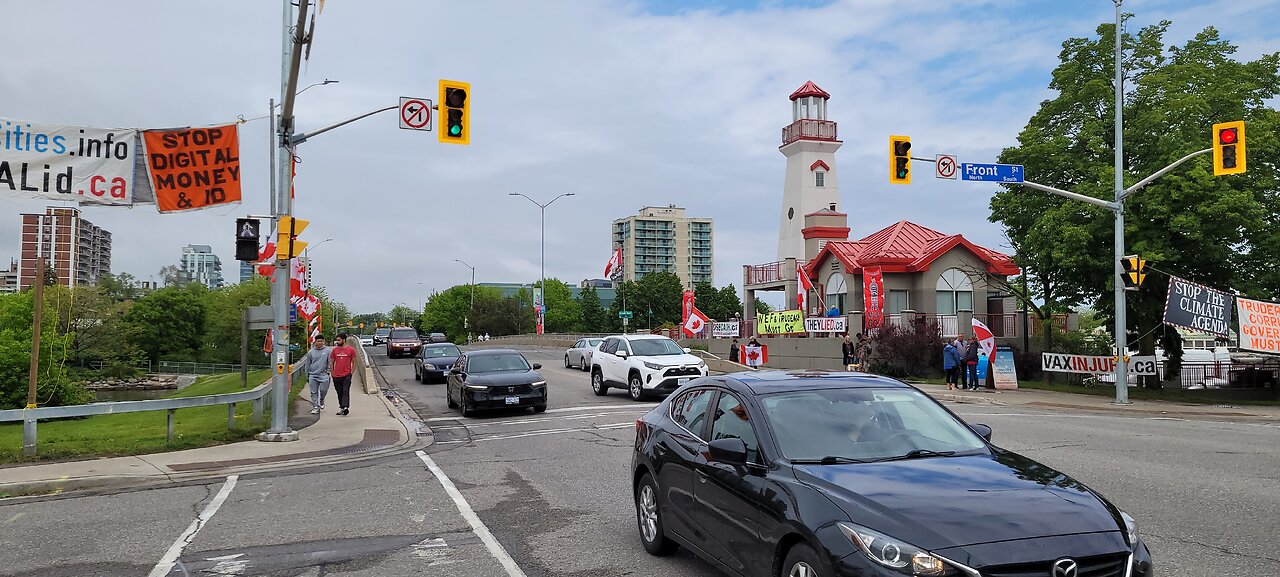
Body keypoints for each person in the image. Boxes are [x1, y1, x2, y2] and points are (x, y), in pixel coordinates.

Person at [329, 333, 358, 416]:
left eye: (339, 340)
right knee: (339, 392)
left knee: (345, 390)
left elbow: (354, 362)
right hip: (336, 375)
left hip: (346, 374)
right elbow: (331, 362)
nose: (337, 342)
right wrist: (332, 373)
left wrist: (351, 373)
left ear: (344, 340)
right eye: (337, 340)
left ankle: (345, 407)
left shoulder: (351, 350)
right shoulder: (335, 350)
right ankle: (342, 407)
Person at [301, 336, 331, 415]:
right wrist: (307, 375)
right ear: (315, 342)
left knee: (323, 390)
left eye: (321, 341)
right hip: (313, 375)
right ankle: (315, 407)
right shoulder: (311, 352)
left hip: (323, 375)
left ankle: (321, 400)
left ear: (323, 341)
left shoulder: (327, 351)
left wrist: (328, 371)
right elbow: (308, 364)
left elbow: (329, 362)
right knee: (313, 392)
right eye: (318, 341)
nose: (320, 343)